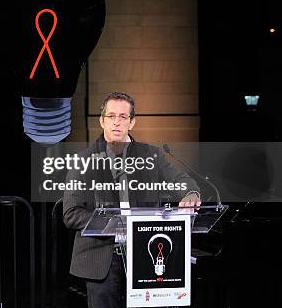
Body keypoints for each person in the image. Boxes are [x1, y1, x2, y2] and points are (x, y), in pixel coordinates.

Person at [63, 92, 201, 308]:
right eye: (111, 116)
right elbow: (71, 214)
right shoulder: (83, 161)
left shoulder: (151, 156)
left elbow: (183, 182)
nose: (116, 122)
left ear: (132, 122)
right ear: (102, 121)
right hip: (102, 259)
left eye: (123, 117)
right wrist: (115, 224)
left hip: (144, 256)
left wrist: (191, 195)